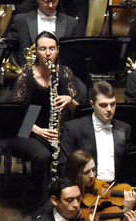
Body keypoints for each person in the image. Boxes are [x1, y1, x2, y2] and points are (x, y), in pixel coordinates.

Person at [10, 32, 83, 205]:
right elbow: (16, 114)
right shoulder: (27, 76)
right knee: (43, 156)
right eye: (43, 49)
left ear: (58, 50)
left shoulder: (65, 73)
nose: (48, 53)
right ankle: (43, 203)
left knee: (74, 152)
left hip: (59, 128)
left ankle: (70, 197)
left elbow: (79, 110)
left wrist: (70, 100)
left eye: (52, 48)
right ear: (36, 52)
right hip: (28, 128)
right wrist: (39, 131)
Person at [58, 81, 130, 182]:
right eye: (103, 105)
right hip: (87, 187)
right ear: (92, 104)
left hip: (117, 187)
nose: (109, 109)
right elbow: (64, 168)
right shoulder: (73, 128)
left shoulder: (125, 129)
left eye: (112, 104)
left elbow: (128, 167)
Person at [4, 0, 82, 67]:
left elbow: (76, 55)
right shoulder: (20, 21)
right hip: (27, 75)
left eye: (54, 1)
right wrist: (2, 58)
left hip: (60, 76)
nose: (51, 5)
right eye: (46, 1)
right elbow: (9, 46)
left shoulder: (71, 23)